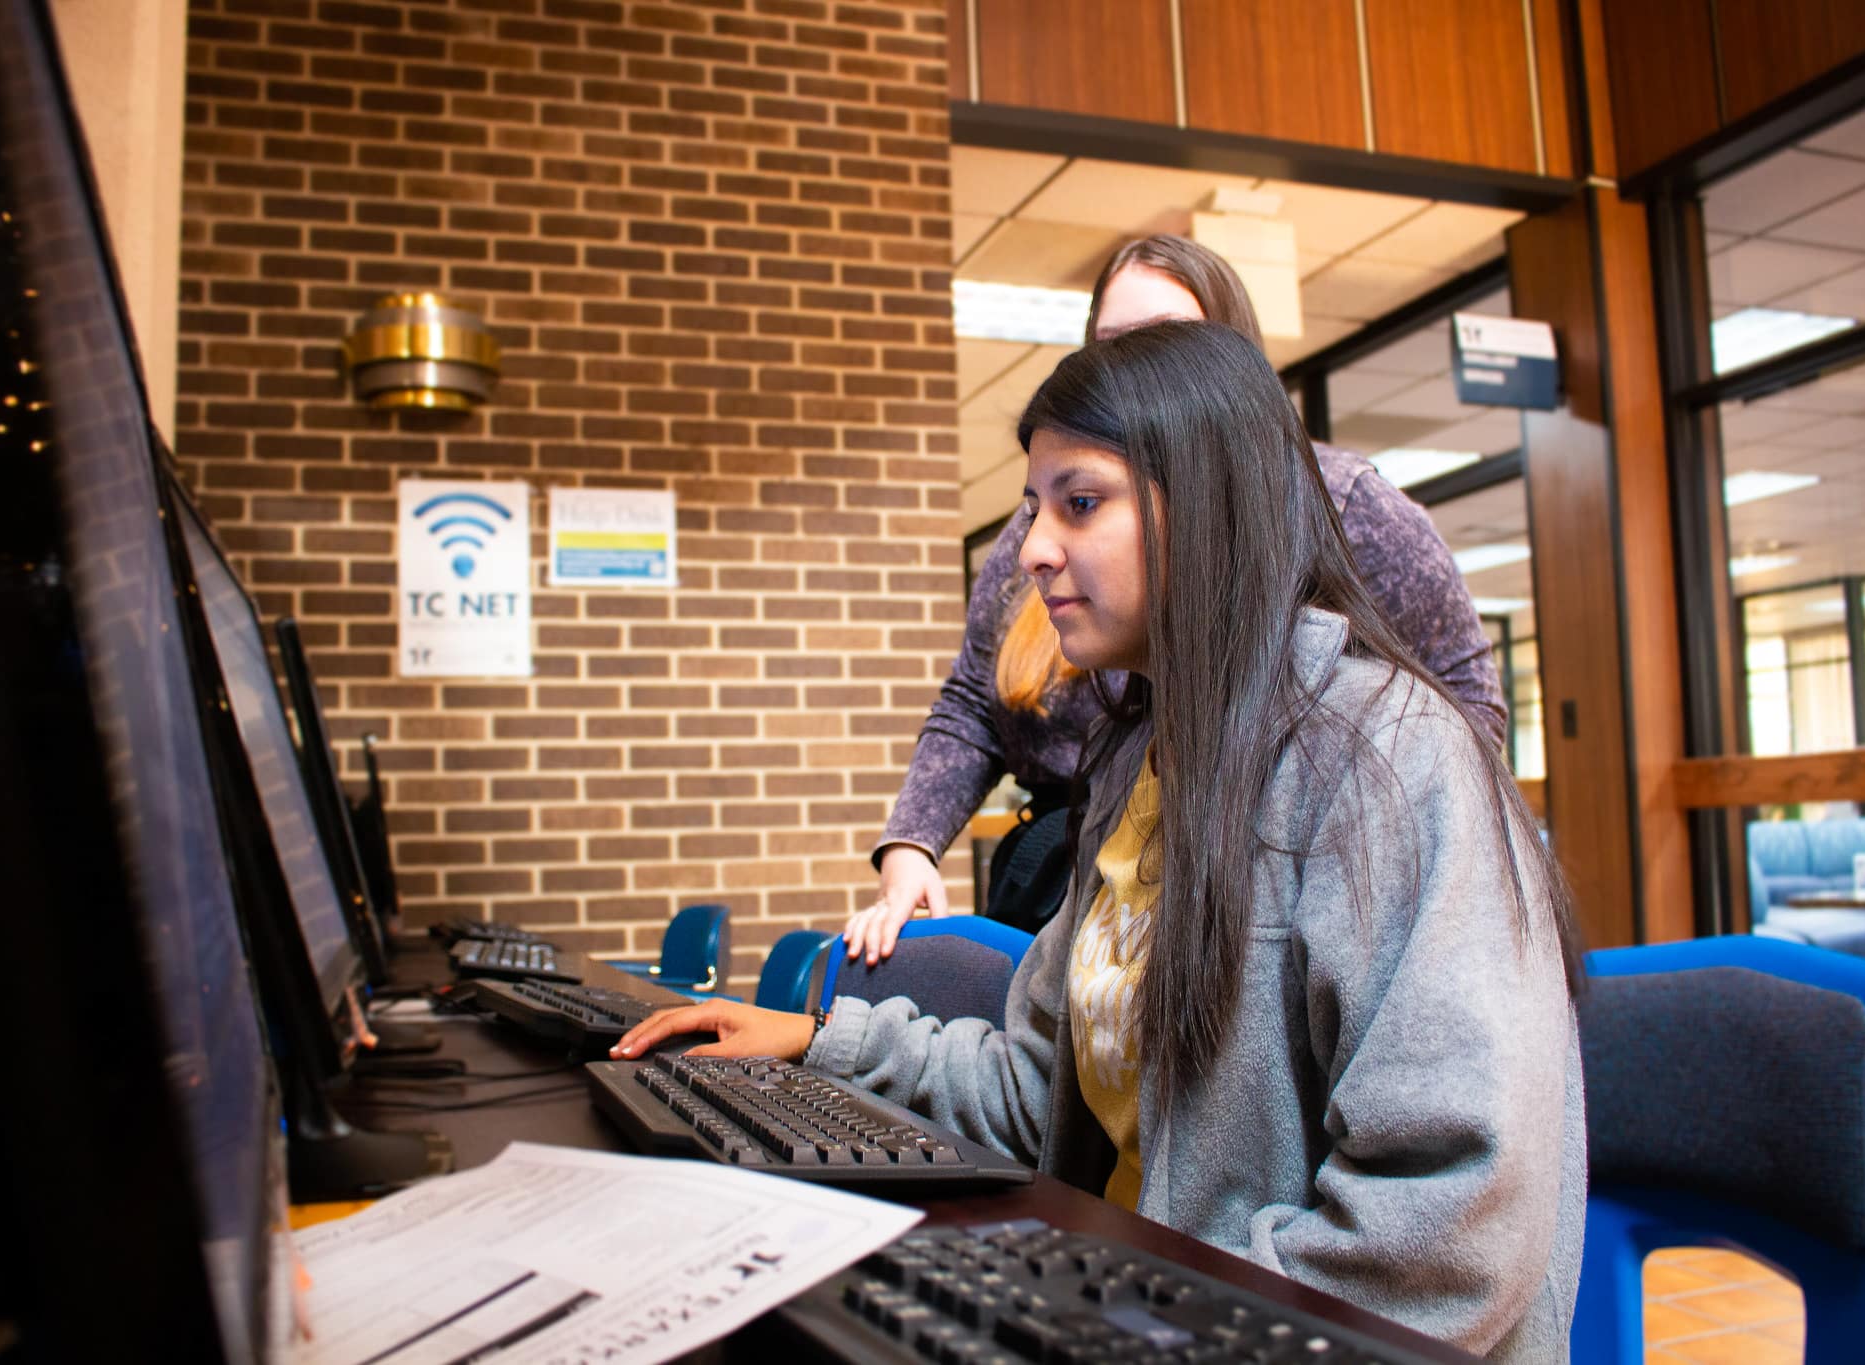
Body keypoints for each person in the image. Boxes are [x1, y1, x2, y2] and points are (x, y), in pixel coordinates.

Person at [614, 322, 1586, 1362]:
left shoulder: (1386, 760)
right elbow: (1041, 1088)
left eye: (1080, 503)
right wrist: (815, 1045)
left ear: (1208, 506)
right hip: (1133, 1310)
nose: (1031, 549)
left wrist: (1150, 1324)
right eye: (1036, 509)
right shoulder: (1140, 763)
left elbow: (1451, 1225)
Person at [848, 234, 1506, 962]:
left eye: (1164, 338)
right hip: (1075, 876)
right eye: (1110, 343)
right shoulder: (1040, 531)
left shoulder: (1341, 503)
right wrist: (911, 846)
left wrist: (1344, 868)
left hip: (1248, 884)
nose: (1045, 542)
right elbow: (973, 698)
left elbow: (1461, 707)